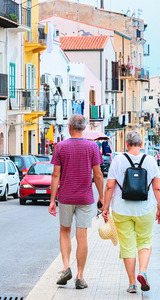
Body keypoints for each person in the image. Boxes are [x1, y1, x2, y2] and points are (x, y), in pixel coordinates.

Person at [102, 131, 160, 294]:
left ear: (126, 144)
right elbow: (157, 187)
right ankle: (142, 272)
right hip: (145, 208)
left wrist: (105, 207)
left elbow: (109, 186)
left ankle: (131, 284)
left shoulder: (118, 160)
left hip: (122, 209)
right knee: (144, 241)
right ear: (141, 144)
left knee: (127, 245)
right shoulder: (150, 160)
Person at [49, 114, 104, 289]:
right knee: (82, 237)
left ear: (69, 127)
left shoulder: (60, 147)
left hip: (66, 197)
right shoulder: (93, 147)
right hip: (86, 198)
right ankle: (80, 276)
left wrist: (52, 200)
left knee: (65, 232)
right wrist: (101, 197)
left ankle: (66, 267)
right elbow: (98, 174)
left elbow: (56, 175)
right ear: (85, 128)